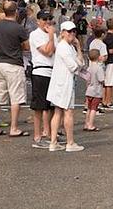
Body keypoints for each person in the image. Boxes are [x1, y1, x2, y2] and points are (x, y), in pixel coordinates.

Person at [0, 1, 30, 137]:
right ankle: (14, 128)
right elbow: (26, 47)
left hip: (0, 63)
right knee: (16, 98)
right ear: (16, 12)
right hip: (14, 64)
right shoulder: (19, 28)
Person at [46, 20, 84, 152]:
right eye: (69, 31)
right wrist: (78, 63)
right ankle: (70, 142)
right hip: (64, 83)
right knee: (68, 112)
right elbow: (74, 66)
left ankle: (53, 142)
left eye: (74, 31)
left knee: (58, 111)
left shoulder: (69, 47)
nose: (72, 34)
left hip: (62, 82)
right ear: (62, 33)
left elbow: (81, 63)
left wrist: (78, 47)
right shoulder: (63, 47)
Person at [28, 10, 57, 148]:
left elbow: (56, 51)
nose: (47, 22)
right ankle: (37, 135)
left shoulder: (53, 35)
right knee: (39, 106)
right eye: (44, 19)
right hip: (40, 71)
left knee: (51, 106)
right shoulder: (35, 35)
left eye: (49, 19)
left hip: (53, 71)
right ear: (38, 21)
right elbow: (47, 51)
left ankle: (49, 133)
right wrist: (51, 37)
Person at [83, 48, 104, 132]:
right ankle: (91, 125)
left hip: (89, 90)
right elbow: (101, 79)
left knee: (88, 108)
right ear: (98, 57)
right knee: (94, 109)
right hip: (96, 91)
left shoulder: (89, 68)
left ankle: (86, 123)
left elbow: (87, 79)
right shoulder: (99, 68)